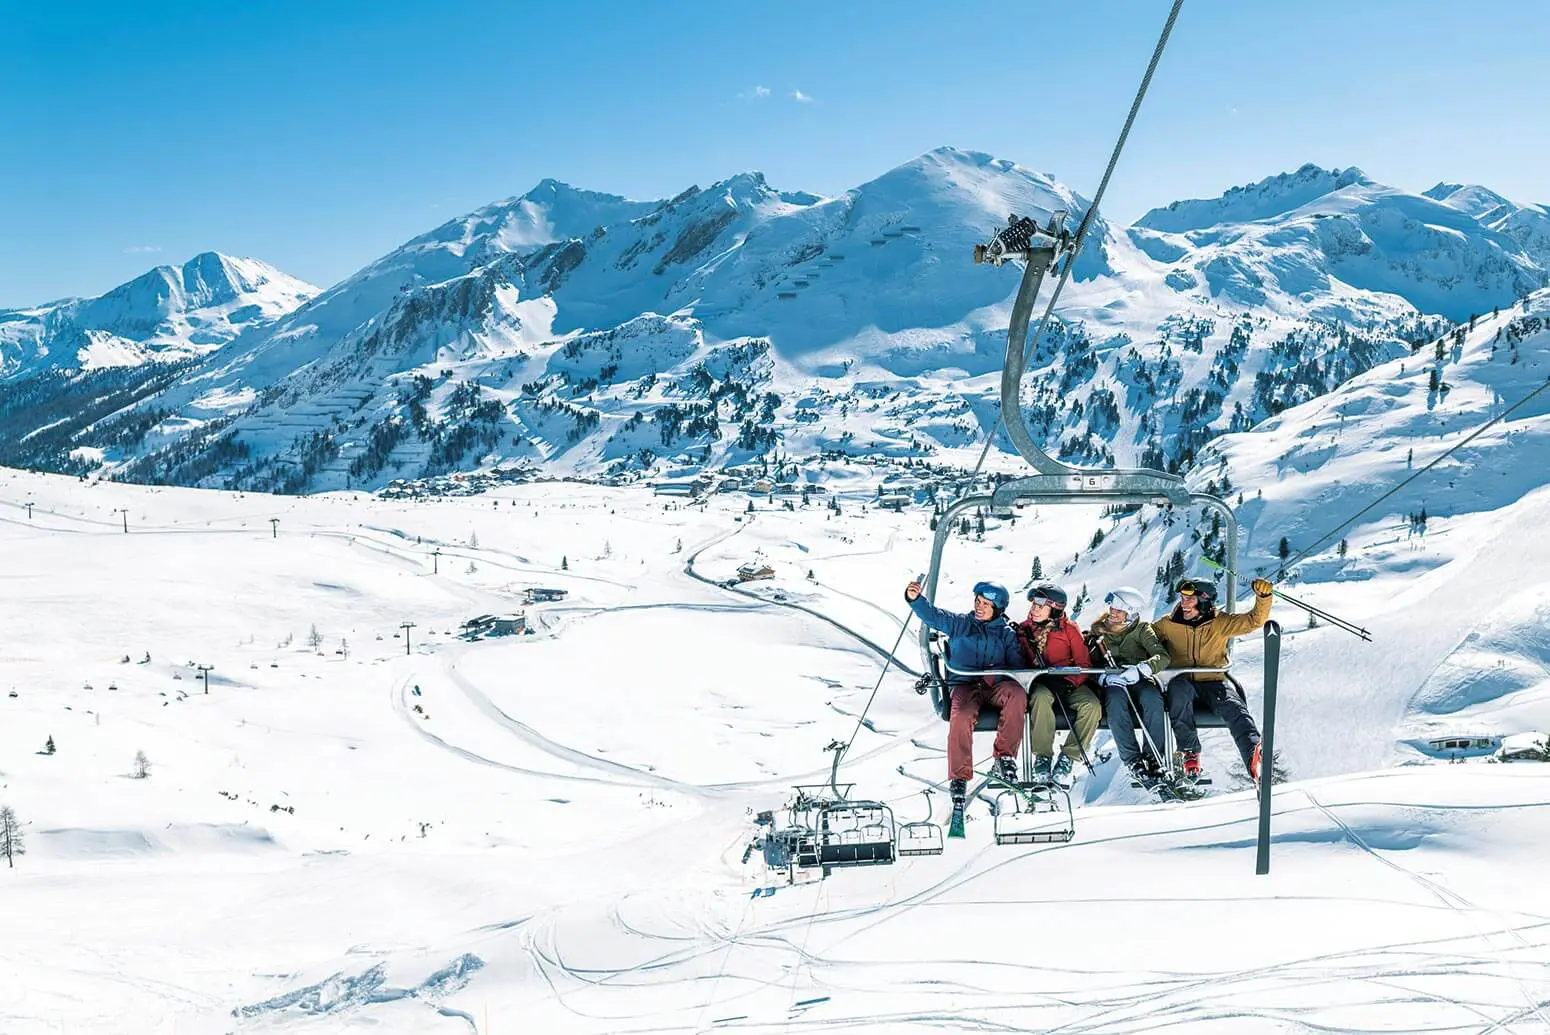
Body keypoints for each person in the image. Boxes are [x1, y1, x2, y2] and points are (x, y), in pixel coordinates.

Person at [905, 578, 1027, 807]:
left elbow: (1016, 666)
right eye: (978, 601)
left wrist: (1003, 675)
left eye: (985, 604)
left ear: (997, 609)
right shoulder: (961, 624)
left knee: (1017, 695)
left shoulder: (1005, 634)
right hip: (965, 684)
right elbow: (935, 616)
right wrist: (915, 600)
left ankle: (1005, 757)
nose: (979, 607)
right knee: (960, 714)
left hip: (995, 686)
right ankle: (959, 777)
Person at [1152, 576, 1275, 783]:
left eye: (1190, 599)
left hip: (1213, 681)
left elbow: (1254, 620)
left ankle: (1255, 756)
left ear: (1204, 601)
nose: (1184, 603)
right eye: (1182, 598)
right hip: (1181, 680)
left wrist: (1263, 597)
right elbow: (1144, 638)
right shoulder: (1168, 624)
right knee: (1178, 691)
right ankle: (1190, 751)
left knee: (1235, 708)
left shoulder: (1220, 623)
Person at [1013, 582, 1098, 788]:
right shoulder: (1024, 630)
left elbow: (1083, 663)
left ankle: (1069, 757)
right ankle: (1042, 757)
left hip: (1068, 682)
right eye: (1033, 604)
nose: (1034, 609)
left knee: (1092, 706)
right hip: (1040, 683)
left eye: (1040, 606)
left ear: (1054, 609)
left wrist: (1068, 681)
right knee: (1041, 698)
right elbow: (1018, 661)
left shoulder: (1069, 630)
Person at [1088, 587, 1172, 788]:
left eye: (1118, 610)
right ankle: (1133, 760)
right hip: (1113, 683)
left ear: (1130, 613)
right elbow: (1088, 662)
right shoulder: (1099, 631)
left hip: (1139, 679)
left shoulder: (1142, 629)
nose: (1112, 612)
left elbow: (1162, 656)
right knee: (1115, 702)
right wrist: (1102, 678)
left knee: (1153, 699)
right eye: (1112, 608)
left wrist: (1142, 669)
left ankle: (1154, 758)